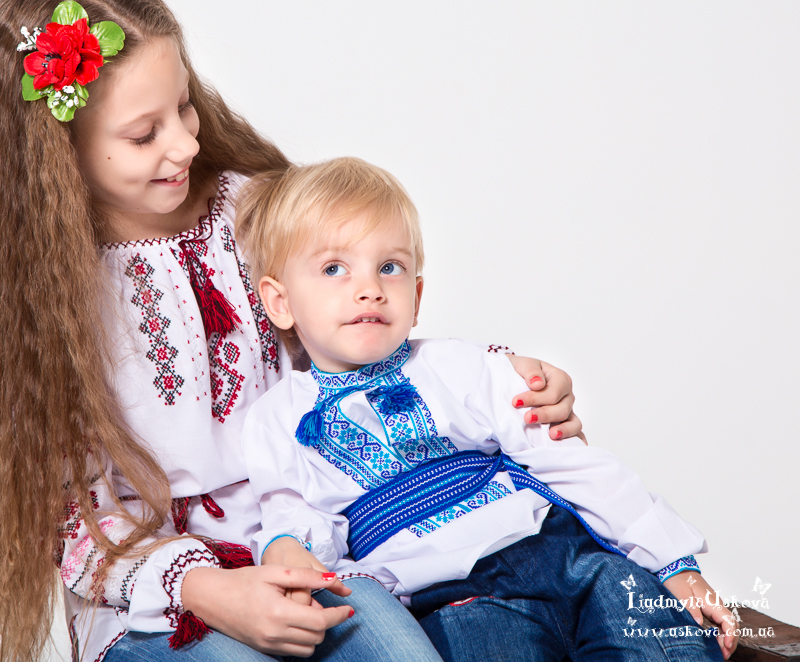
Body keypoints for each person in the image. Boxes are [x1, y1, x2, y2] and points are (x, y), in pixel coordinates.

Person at [0, 2, 584, 660]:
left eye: (185, 107)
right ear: (59, 149)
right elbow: (66, 519)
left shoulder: (256, 210)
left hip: (314, 540)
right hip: (160, 597)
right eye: (143, 135)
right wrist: (204, 587)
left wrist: (504, 381)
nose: (186, 144)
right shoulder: (44, 294)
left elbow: (361, 341)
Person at [235, 157, 740, 662]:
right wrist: (288, 546)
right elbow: (292, 510)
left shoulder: (460, 364)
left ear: (416, 295)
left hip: (563, 552)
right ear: (280, 303)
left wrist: (672, 562)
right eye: (333, 269)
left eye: (390, 267)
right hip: (449, 596)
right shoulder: (276, 418)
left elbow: (568, 462)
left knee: (668, 644)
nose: (370, 288)